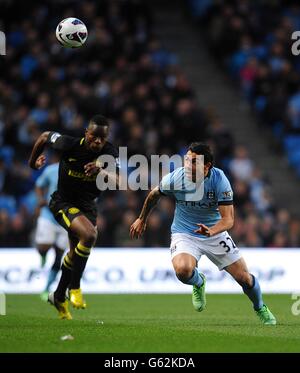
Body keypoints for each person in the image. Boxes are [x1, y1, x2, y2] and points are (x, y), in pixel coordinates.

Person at [130, 142, 276, 325]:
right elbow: (153, 195)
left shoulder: (219, 180)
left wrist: (211, 231)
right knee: (183, 271)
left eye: (193, 162)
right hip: (185, 232)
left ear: (206, 166)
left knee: (244, 278)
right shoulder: (176, 178)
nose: (187, 166)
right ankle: (199, 282)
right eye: (186, 161)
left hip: (215, 232)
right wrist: (142, 218)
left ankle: (260, 307)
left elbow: (229, 219)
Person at [28, 115, 119, 319]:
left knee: (73, 255)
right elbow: (44, 136)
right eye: (94, 136)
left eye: (101, 138)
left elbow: (118, 179)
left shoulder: (109, 152)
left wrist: (102, 168)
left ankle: (58, 296)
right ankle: (75, 288)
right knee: (89, 236)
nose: (97, 141)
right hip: (63, 202)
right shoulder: (68, 144)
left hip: (87, 207)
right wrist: (32, 161)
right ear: (86, 132)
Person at [34, 154, 68, 301]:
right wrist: (41, 199)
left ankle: (47, 287)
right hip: (48, 214)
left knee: (59, 255)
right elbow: (39, 185)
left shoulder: (79, 174)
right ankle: (42, 255)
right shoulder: (51, 170)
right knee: (44, 246)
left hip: (67, 218)